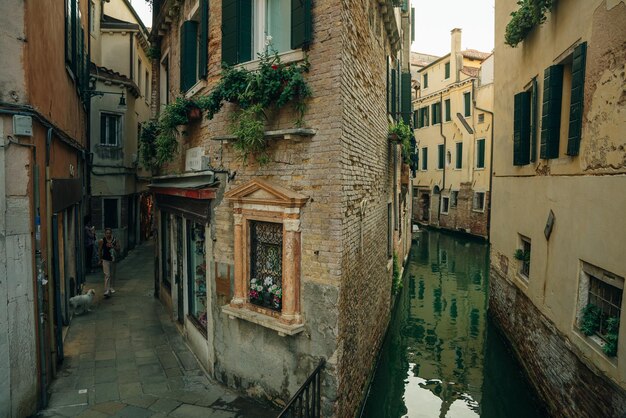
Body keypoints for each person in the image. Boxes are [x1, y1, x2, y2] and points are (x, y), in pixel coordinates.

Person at [98, 228, 120, 297]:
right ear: (105, 234)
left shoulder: (115, 240)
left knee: (112, 274)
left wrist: (113, 246)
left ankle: (111, 287)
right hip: (105, 259)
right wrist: (100, 259)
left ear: (111, 233)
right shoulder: (102, 240)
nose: (108, 234)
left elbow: (118, 249)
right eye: (107, 233)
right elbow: (100, 250)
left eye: (109, 233)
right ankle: (106, 290)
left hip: (113, 259)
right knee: (107, 275)